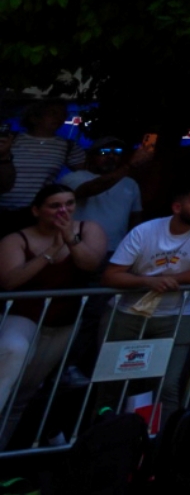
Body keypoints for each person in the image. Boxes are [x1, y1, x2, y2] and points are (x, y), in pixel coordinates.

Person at [98, 182, 190, 412]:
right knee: (112, 386)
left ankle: (158, 434)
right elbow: (111, 276)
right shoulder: (145, 231)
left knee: (166, 386)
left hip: (178, 316)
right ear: (177, 207)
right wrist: (148, 282)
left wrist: (164, 280)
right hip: (128, 314)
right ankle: (109, 432)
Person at [0, 184, 105, 443]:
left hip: (63, 322)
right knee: (8, 366)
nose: (63, 211)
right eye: (55, 205)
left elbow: (91, 265)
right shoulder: (16, 239)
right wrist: (50, 252)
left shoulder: (88, 229)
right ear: (37, 210)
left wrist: (70, 239)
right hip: (23, 316)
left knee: (25, 392)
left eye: (69, 204)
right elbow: (10, 281)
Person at [0, 104, 89, 234]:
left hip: (35, 213)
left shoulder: (68, 146)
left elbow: (88, 172)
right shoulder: (11, 140)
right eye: (53, 113)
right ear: (34, 118)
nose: (59, 118)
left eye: (63, 115)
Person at [63, 135, 150, 250]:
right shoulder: (74, 178)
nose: (111, 156)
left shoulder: (130, 183)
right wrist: (129, 166)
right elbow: (92, 188)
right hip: (78, 248)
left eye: (117, 152)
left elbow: (135, 218)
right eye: (104, 152)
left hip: (116, 249)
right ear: (91, 156)